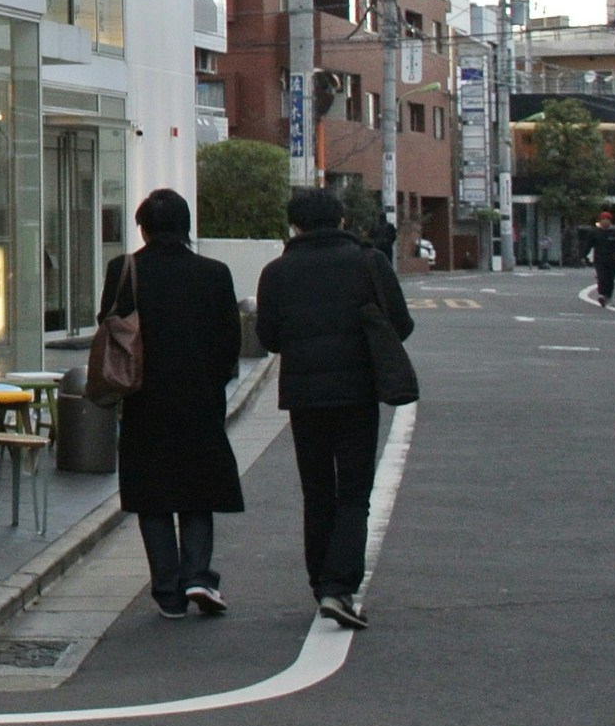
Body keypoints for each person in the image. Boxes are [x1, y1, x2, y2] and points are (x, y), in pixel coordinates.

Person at [256, 188, 414, 630]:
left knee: (318, 490)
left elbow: (268, 337)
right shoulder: (369, 264)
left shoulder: (277, 272)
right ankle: (338, 586)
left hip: (304, 397)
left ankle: (320, 582)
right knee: (354, 492)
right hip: (358, 392)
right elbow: (401, 324)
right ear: (342, 219)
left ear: (295, 225)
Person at [104, 188, 244, 619]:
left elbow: (108, 327)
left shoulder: (125, 270)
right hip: (200, 397)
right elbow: (230, 340)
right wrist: (213, 381)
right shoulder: (214, 273)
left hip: (144, 398)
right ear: (186, 227)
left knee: (154, 496)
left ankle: (167, 591)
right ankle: (198, 575)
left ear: (143, 227)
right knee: (197, 492)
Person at [586, 211, 615, 304]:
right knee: (601, 277)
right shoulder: (595, 232)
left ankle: (608, 295)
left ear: (610, 221)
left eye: (607, 220)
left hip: (612, 259)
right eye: (603, 220)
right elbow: (588, 245)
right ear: (600, 221)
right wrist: (584, 256)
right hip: (599, 259)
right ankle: (601, 294)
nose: (605, 222)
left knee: (610, 278)